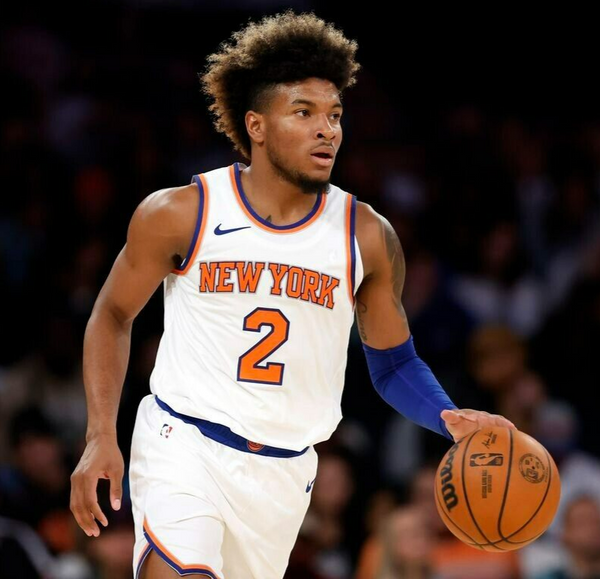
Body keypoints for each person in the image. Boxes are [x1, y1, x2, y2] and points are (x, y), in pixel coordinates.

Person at [69, 9, 517, 579]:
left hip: (284, 474)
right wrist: (99, 435)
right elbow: (111, 313)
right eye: (303, 113)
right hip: (183, 444)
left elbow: (392, 364)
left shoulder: (366, 236)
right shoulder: (181, 213)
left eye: (335, 115)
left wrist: (445, 415)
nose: (327, 129)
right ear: (256, 126)